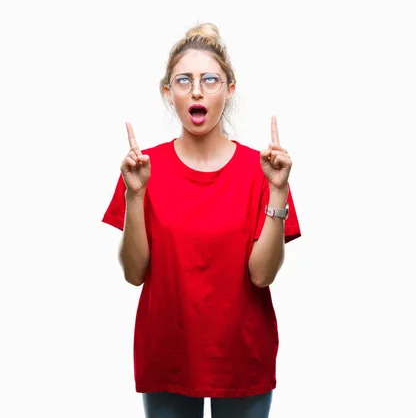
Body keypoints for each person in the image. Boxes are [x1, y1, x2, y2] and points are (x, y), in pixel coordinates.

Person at [101, 22, 301, 418]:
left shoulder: (261, 169)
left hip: (242, 357)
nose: (196, 90)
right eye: (183, 80)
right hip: (168, 355)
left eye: (210, 79)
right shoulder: (143, 169)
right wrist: (135, 195)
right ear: (167, 92)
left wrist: (278, 191)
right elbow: (134, 273)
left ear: (229, 89)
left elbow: (262, 276)